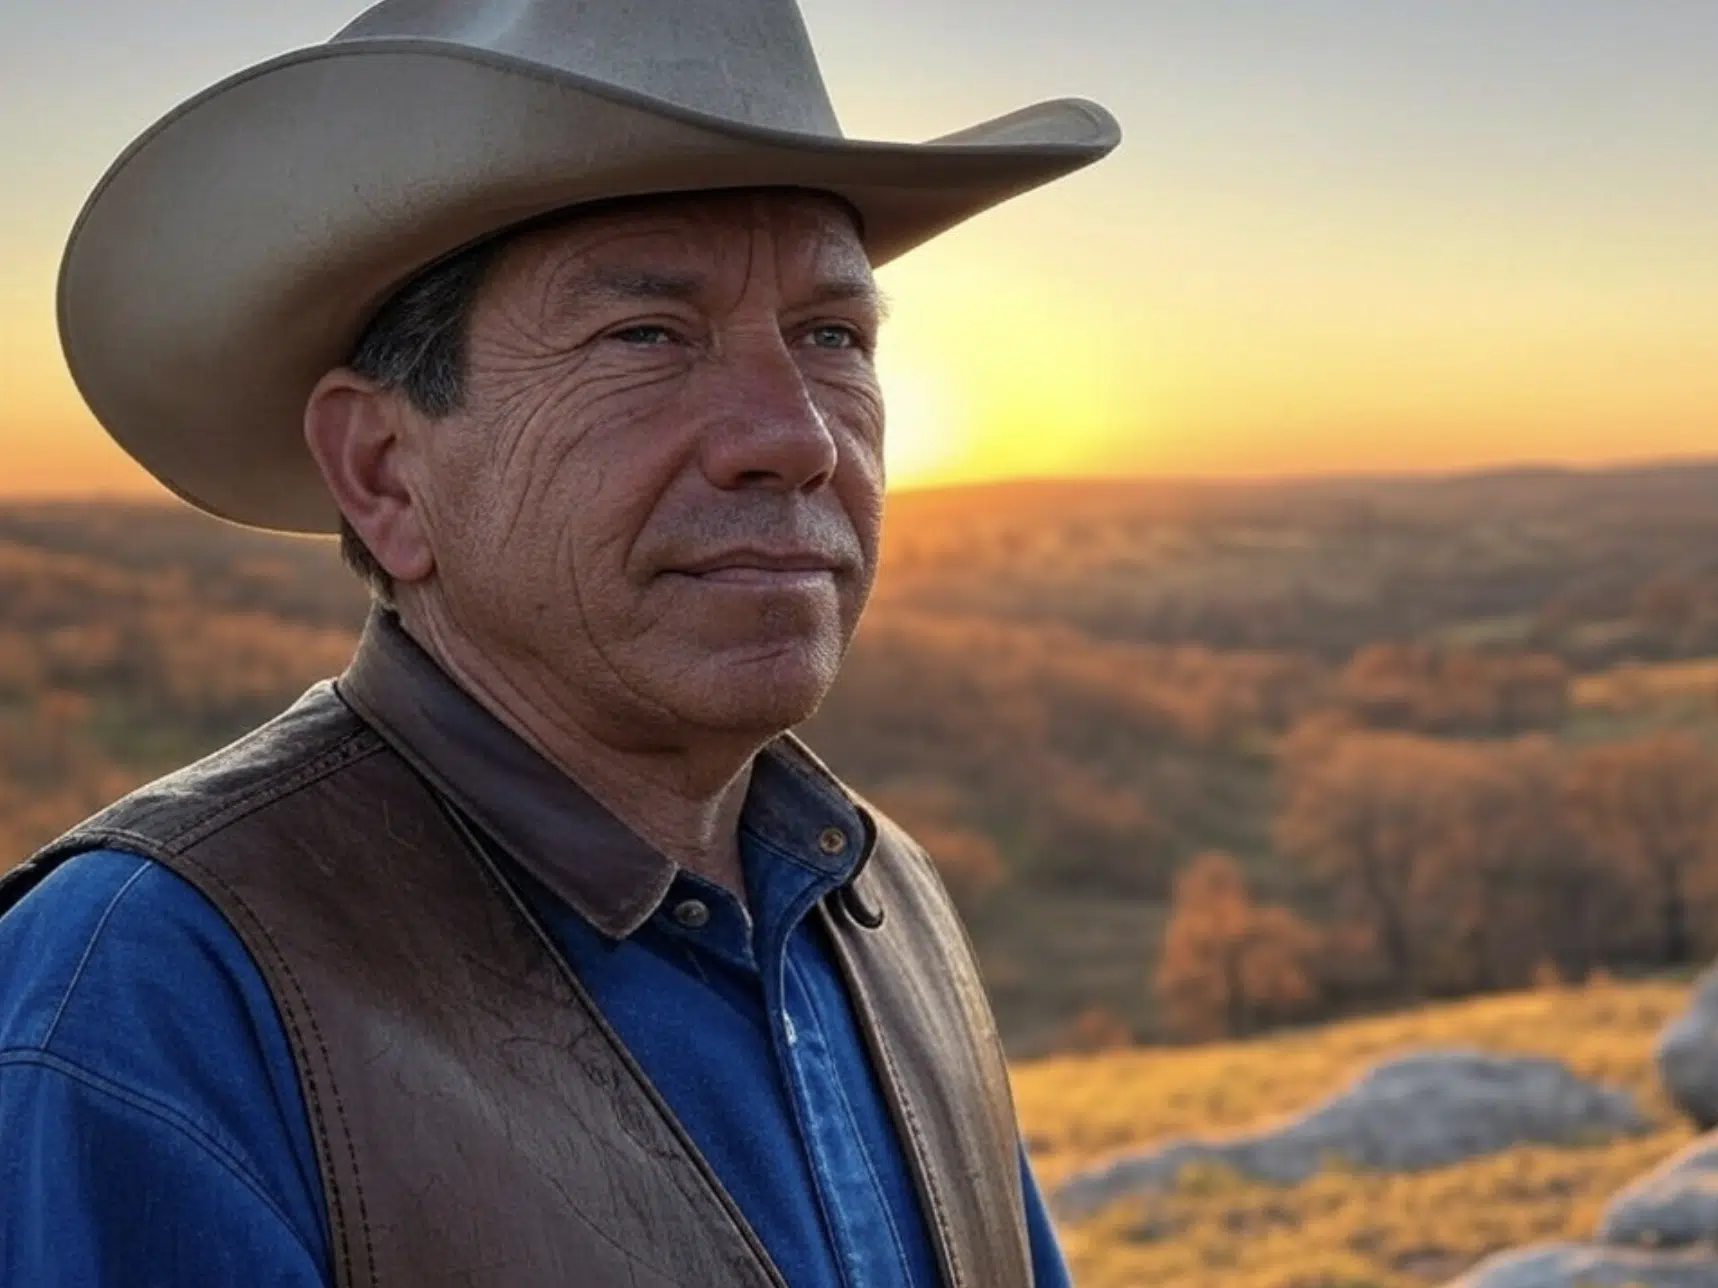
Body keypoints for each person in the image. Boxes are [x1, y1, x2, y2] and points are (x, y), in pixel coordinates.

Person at [0, 1, 1119, 1284]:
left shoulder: (880, 902)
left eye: (834, 337)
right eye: (646, 335)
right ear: (383, 473)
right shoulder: (153, 996)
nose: (800, 436)